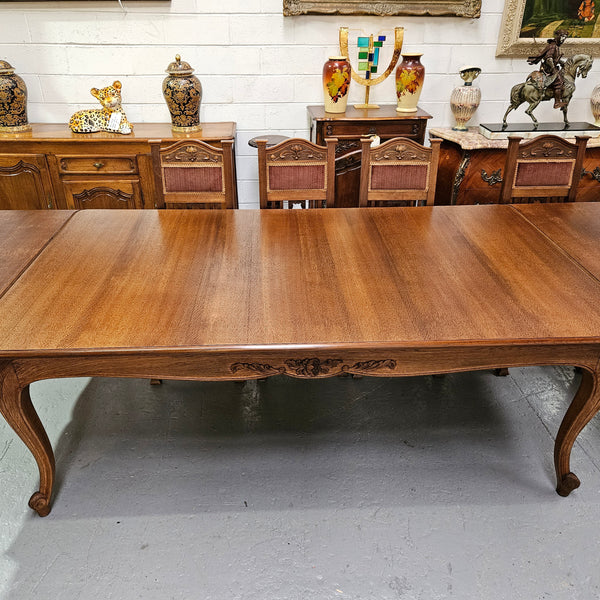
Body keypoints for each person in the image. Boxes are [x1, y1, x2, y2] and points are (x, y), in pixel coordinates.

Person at [527, 29, 568, 109]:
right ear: (558, 36)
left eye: (565, 37)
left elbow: (554, 58)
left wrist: (561, 62)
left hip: (551, 67)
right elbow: (549, 59)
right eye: (562, 37)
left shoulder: (554, 46)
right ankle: (557, 103)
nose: (563, 39)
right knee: (559, 81)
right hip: (548, 70)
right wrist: (553, 69)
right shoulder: (553, 46)